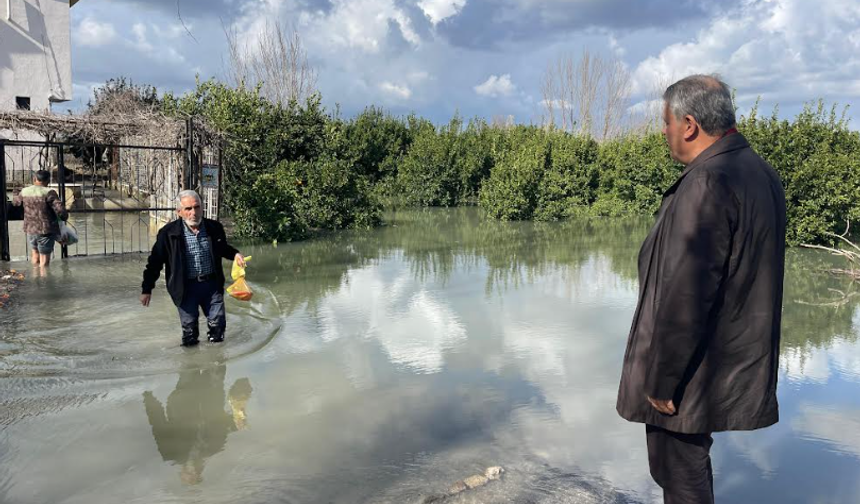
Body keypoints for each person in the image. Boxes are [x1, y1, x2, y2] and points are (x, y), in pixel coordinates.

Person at [616, 75, 786, 504]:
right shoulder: (760, 173)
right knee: (684, 468)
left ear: (689, 125)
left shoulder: (707, 181)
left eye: (666, 122)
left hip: (692, 367)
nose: (664, 131)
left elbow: (688, 292)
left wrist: (661, 379)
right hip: (723, 358)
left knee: (679, 472)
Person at [140, 190, 246, 346]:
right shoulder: (169, 234)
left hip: (212, 286)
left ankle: (215, 363)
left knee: (218, 328)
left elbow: (222, 248)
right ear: (179, 212)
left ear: (202, 207)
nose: (193, 213)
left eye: (196, 207)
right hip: (184, 288)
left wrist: (236, 254)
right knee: (190, 333)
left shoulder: (214, 228)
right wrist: (147, 289)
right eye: (188, 209)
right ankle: (191, 366)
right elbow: (155, 262)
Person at [143, 361, 252, 485]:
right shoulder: (214, 448)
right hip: (213, 390)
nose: (195, 472)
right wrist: (237, 424)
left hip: (184, 398)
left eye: (190, 476)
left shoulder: (170, 452)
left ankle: (190, 346)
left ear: (181, 474)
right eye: (198, 475)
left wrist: (148, 396)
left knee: (190, 363)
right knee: (217, 358)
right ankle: (212, 344)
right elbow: (223, 423)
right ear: (202, 471)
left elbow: (157, 423)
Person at [11, 170, 69, 267]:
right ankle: (43, 280)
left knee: (35, 255)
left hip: (30, 229)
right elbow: (60, 209)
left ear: (35, 179)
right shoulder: (49, 192)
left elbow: (15, 203)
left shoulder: (25, 191)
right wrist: (64, 217)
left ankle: (35, 277)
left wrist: (16, 193)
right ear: (47, 181)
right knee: (44, 261)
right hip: (45, 230)